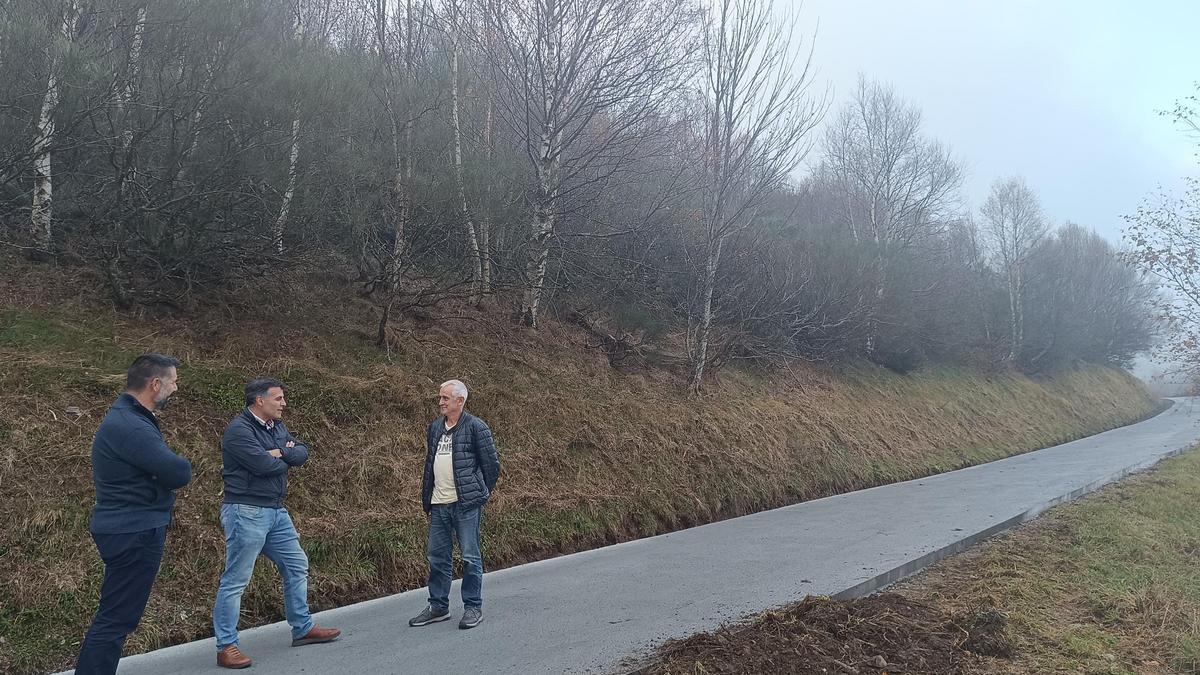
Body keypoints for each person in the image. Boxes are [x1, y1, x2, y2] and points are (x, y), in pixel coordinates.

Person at [76, 353, 192, 675]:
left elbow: (160, 469)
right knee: (116, 619)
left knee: (116, 617)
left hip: (130, 527)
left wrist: (160, 472)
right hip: (134, 531)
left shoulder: (129, 418)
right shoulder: (129, 425)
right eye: (173, 382)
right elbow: (177, 471)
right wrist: (172, 469)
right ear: (155, 384)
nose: (176, 388)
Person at [212, 378, 339, 669]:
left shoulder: (276, 427)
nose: (284, 403)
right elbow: (263, 466)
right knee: (236, 580)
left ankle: (302, 628)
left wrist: (281, 452)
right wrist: (284, 454)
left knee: (296, 564)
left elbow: (302, 451)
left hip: (275, 511)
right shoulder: (238, 431)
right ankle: (226, 646)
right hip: (246, 511)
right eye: (278, 398)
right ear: (259, 401)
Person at [409, 379, 500, 630]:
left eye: (445, 398)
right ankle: (438, 606)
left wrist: (478, 493)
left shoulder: (476, 427)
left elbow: (491, 467)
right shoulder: (435, 428)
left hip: (465, 505)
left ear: (460, 401)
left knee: (470, 557)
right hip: (439, 503)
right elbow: (430, 464)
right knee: (437, 557)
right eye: (440, 398)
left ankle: (472, 606)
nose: (440, 402)